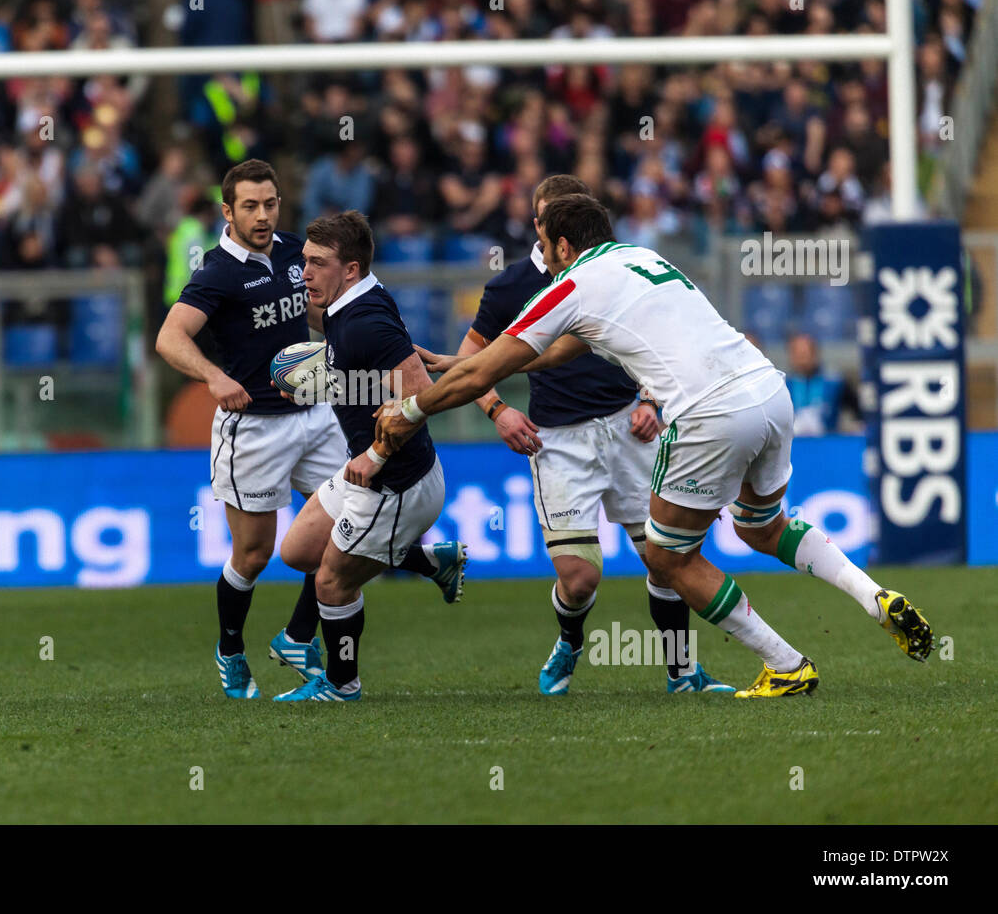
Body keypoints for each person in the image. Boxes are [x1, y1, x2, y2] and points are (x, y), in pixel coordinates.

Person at [379, 193, 933, 698]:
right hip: (768, 391)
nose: (540, 254)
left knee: (668, 559)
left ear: (564, 245)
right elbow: (559, 350)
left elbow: (489, 374)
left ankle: (785, 663)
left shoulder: (569, 285)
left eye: (544, 244)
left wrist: (410, 411)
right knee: (762, 526)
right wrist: (463, 364)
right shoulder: (644, 259)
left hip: (708, 416)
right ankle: (872, 596)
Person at [155, 162, 463, 699]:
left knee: (342, 528)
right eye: (250, 206)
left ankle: (305, 641)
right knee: (254, 555)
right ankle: (231, 649)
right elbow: (169, 337)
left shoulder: (302, 256)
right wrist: (214, 375)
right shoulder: (217, 274)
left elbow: (339, 317)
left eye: (270, 203)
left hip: (318, 416)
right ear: (227, 212)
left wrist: (395, 352)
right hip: (252, 427)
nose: (263, 215)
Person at [458, 174, 731, 694]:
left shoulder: (614, 272)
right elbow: (469, 359)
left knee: (664, 558)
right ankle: (570, 640)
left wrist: (651, 399)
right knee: (580, 578)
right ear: (537, 224)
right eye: (548, 215)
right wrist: (497, 410)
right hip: (558, 441)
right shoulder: (510, 285)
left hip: (628, 430)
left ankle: (681, 671)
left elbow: (658, 344)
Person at [275, 211, 452, 702]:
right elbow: (372, 379)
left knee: (331, 583)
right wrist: (318, 382)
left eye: (316, 263)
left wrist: (375, 452)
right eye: (303, 261)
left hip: (397, 485)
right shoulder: (345, 306)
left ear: (349, 269)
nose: (304, 273)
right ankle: (430, 561)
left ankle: (341, 682)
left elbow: (422, 394)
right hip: (369, 476)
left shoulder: (366, 322)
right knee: (298, 553)